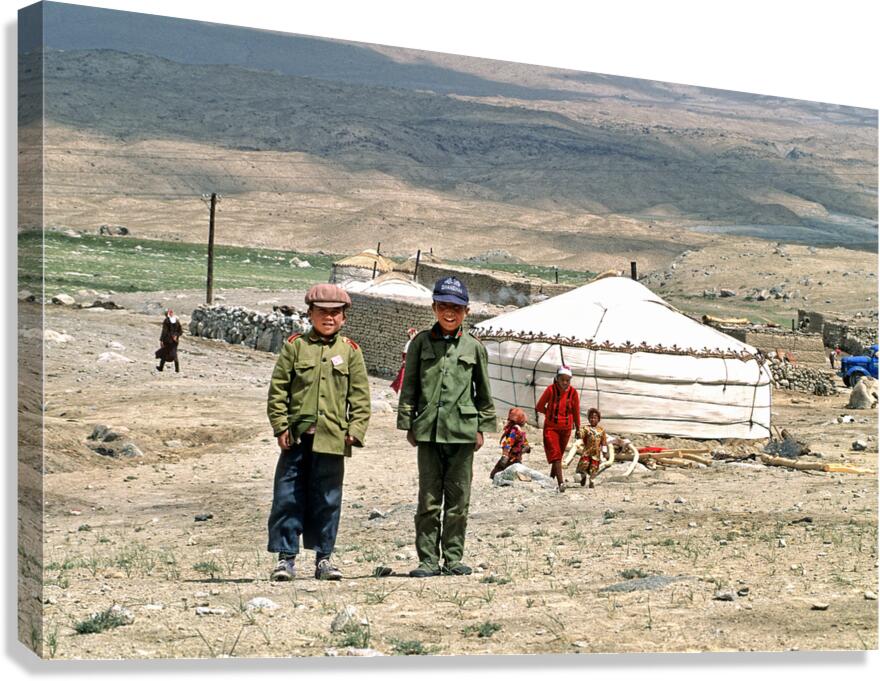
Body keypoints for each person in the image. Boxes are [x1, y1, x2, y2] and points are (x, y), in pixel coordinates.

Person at [266, 284, 371, 581]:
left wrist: (355, 430)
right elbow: (278, 391)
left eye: (335, 313)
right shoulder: (295, 346)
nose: (329, 318)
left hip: (332, 439)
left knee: (327, 498)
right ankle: (285, 559)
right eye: (322, 312)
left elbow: (360, 397)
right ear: (310, 314)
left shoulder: (350, 352)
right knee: (288, 496)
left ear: (344, 318)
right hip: (297, 438)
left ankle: (324, 559)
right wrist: (281, 425)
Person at [397, 276, 496, 578]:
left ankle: (453, 558)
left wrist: (482, 427)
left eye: (456, 307)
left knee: (458, 500)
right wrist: (407, 422)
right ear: (434, 308)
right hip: (428, 430)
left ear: (466, 312)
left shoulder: (474, 348)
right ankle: (428, 560)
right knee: (428, 500)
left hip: (463, 432)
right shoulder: (420, 344)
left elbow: (484, 391)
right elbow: (409, 385)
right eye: (443, 306)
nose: (449, 313)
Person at [535, 365, 580, 492]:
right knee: (556, 454)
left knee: (558, 455)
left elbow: (576, 411)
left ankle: (550, 479)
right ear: (557, 379)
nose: (565, 383)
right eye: (562, 380)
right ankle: (561, 483)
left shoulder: (573, 393)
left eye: (567, 380)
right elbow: (539, 406)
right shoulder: (550, 390)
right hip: (551, 428)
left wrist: (578, 428)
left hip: (566, 429)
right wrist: (549, 413)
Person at [489, 407, 530, 480]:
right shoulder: (516, 430)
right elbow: (511, 442)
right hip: (514, 456)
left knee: (499, 472)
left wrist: (505, 455)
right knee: (510, 468)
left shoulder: (515, 430)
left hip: (514, 456)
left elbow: (513, 442)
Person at [576, 408, 607, 489]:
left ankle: (591, 481)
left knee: (594, 467)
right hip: (587, 451)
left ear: (598, 419)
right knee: (584, 465)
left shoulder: (601, 430)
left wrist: (604, 452)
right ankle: (583, 477)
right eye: (591, 417)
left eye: (595, 418)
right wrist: (578, 433)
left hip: (596, 453)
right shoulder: (586, 428)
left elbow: (604, 442)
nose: (592, 419)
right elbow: (581, 434)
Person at [390, 327, 418, 394]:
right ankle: (400, 388)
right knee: (403, 375)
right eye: (412, 334)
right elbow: (405, 353)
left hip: (412, 362)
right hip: (408, 362)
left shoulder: (413, 342)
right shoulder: (409, 343)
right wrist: (405, 360)